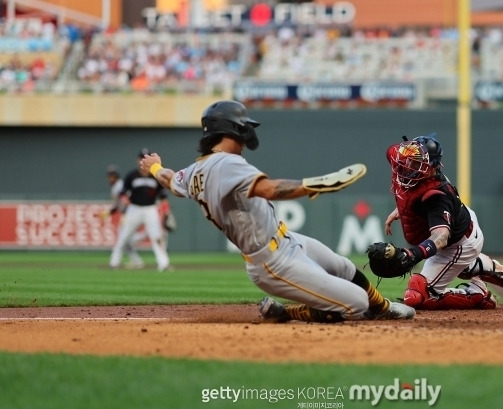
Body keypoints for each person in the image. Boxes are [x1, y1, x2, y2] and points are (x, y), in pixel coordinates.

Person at [138, 100, 415, 322]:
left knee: (342, 266)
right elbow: (269, 189)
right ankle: (286, 313)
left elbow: (171, 181)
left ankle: (382, 307)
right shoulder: (225, 164)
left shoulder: (197, 169)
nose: (248, 131)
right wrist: (313, 185)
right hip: (271, 261)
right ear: (230, 128)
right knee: (355, 303)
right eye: (243, 125)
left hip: (285, 240)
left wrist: (154, 168)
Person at [378, 133, 503, 310]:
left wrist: (413, 255)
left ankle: (477, 295)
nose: (406, 165)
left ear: (432, 168)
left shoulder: (436, 196)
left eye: (415, 162)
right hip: (460, 222)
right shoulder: (413, 173)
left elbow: (441, 238)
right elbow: (414, 195)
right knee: (462, 267)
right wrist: (402, 210)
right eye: (408, 159)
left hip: (457, 242)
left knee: (417, 297)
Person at [109, 149, 172, 272]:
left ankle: (163, 264)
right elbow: (123, 192)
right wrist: (124, 199)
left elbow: (163, 196)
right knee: (124, 236)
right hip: (134, 209)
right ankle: (114, 262)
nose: (143, 160)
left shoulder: (155, 175)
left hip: (150, 209)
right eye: (141, 157)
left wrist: (166, 211)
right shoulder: (131, 176)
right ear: (138, 160)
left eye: (145, 157)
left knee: (157, 237)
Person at [103, 165, 146, 269]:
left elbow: (127, 199)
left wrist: (125, 214)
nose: (110, 178)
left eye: (112, 176)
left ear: (116, 176)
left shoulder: (119, 185)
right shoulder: (116, 186)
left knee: (122, 239)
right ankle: (137, 261)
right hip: (128, 213)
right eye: (109, 176)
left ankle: (115, 262)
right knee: (125, 241)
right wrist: (110, 212)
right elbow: (118, 204)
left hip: (129, 213)